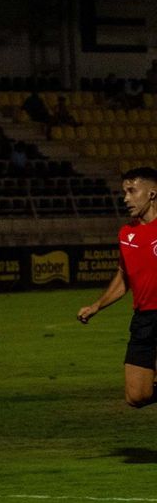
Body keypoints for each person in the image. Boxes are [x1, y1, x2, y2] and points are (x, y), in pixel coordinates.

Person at [76, 167, 157, 407]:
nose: (126, 198)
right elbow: (124, 277)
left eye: (132, 191)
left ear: (152, 193)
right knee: (136, 396)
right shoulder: (126, 234)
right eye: (124, 192)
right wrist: (96, 306)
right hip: (143, 319)